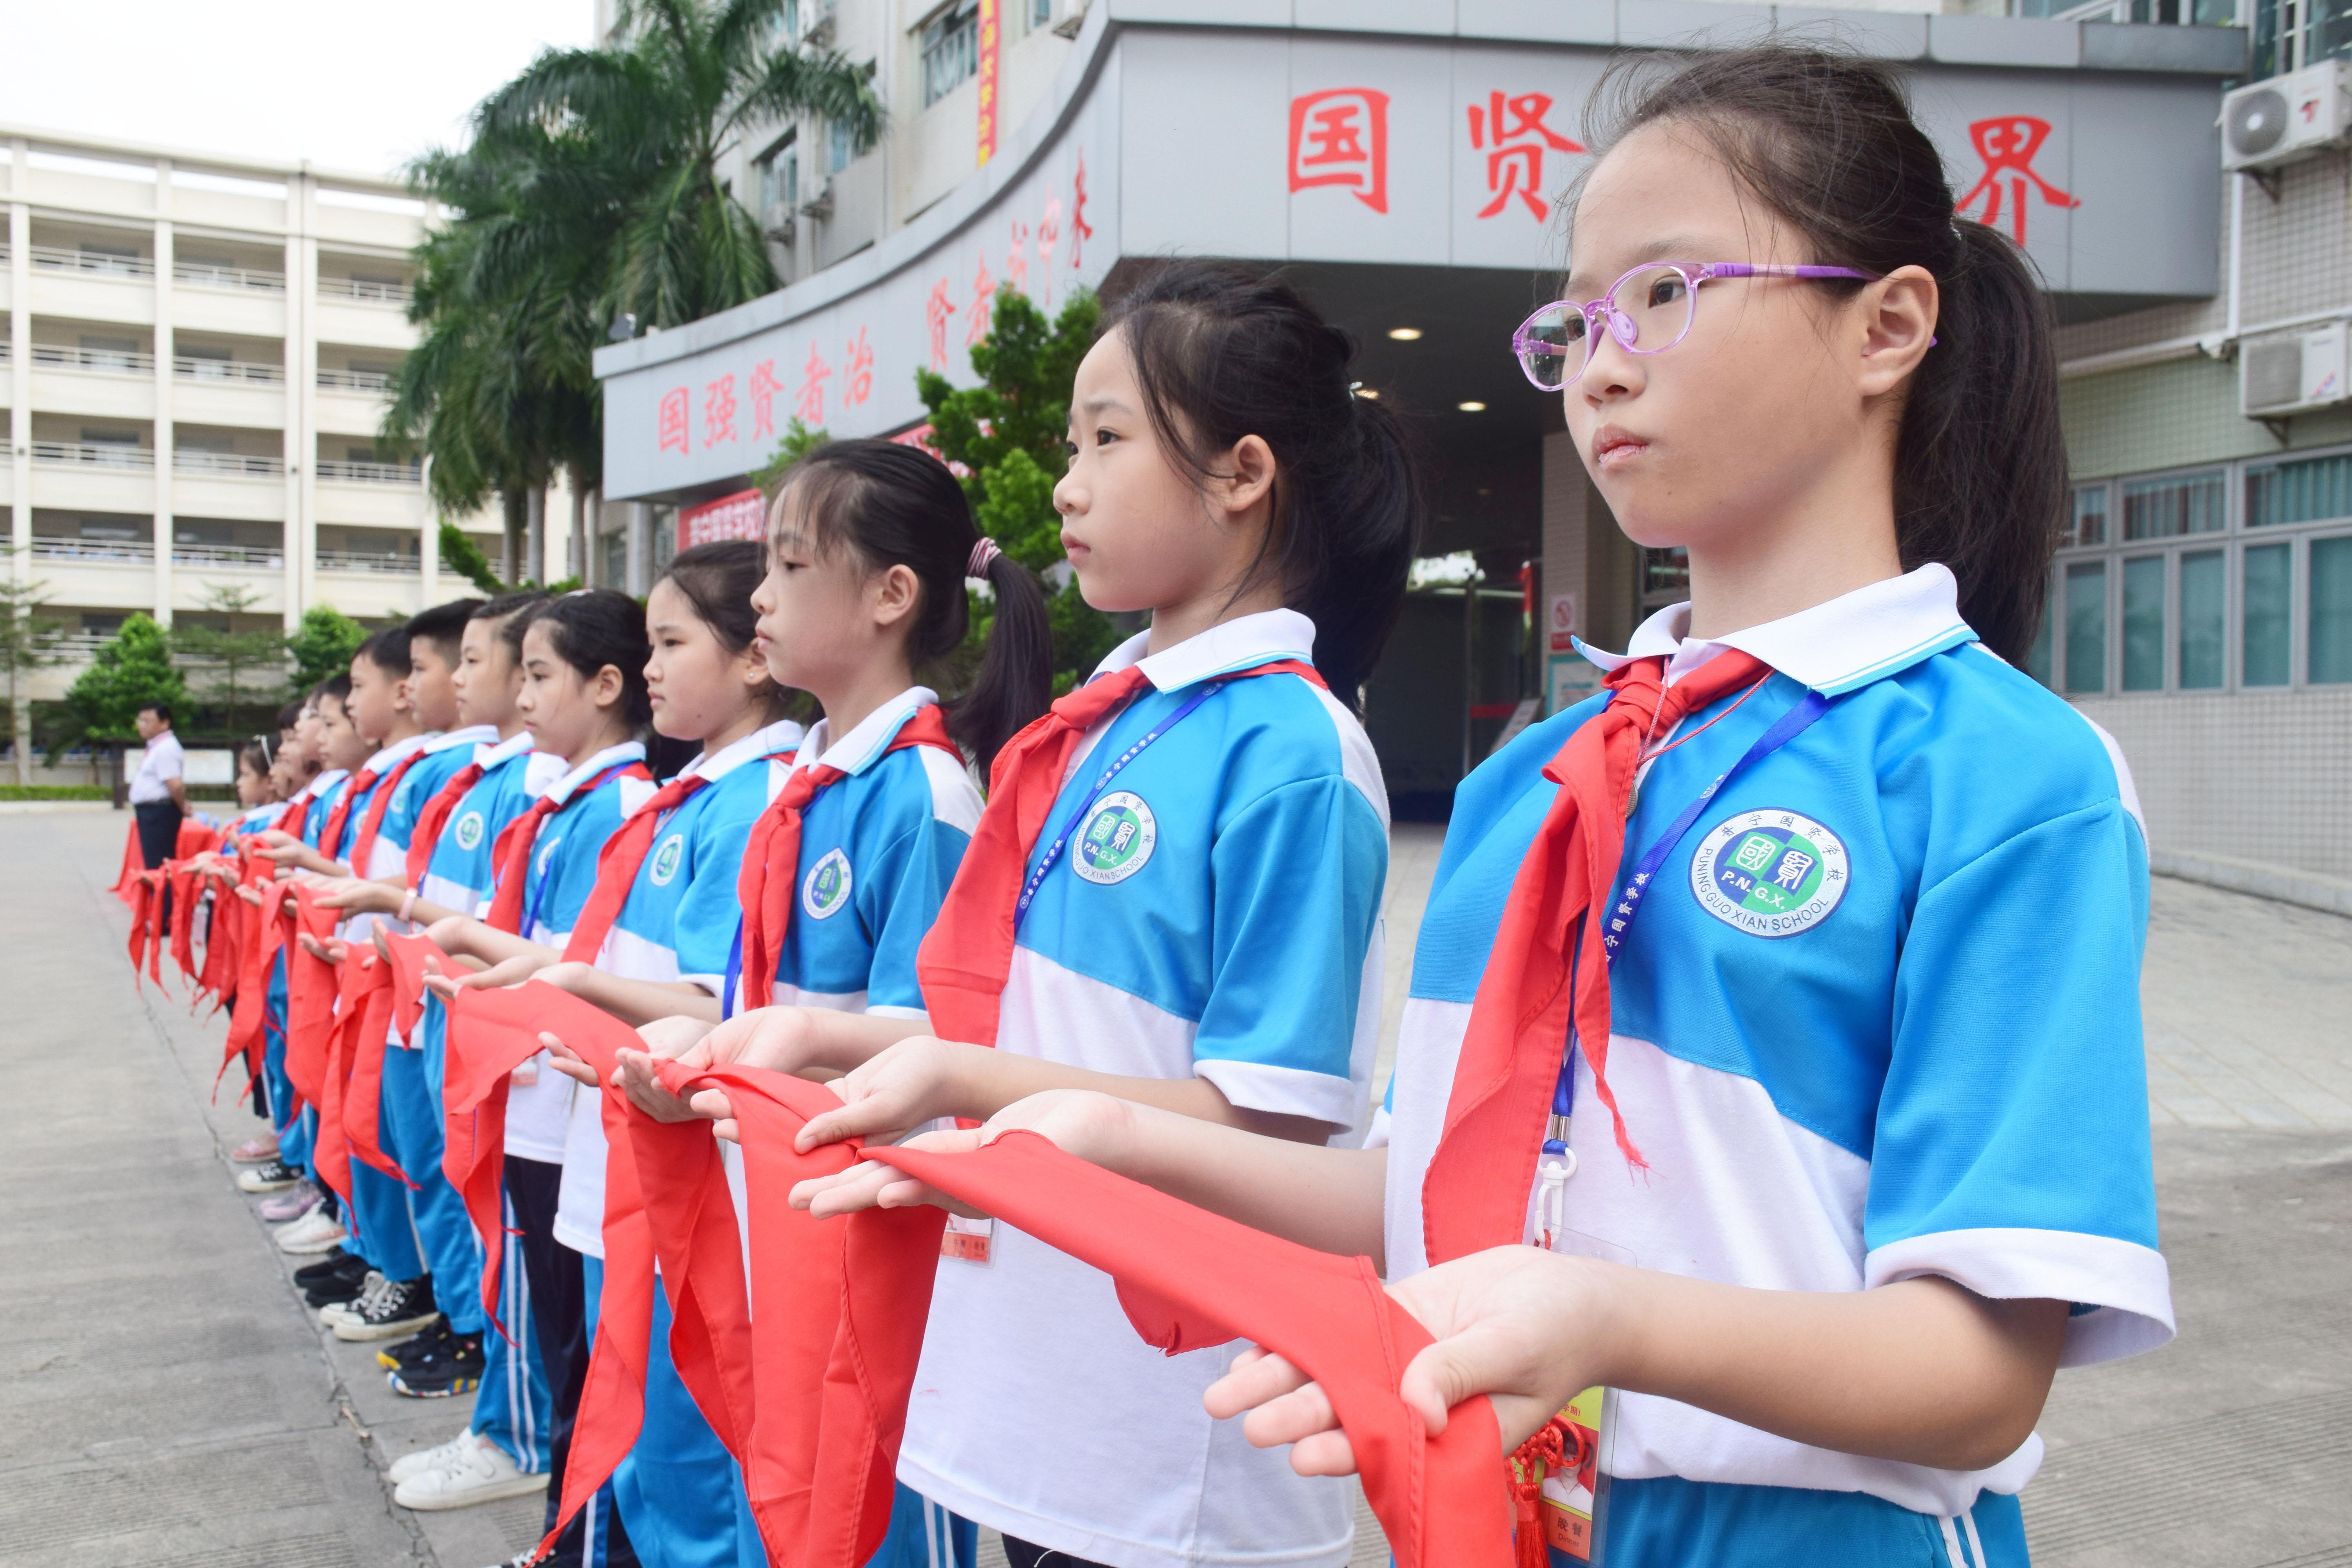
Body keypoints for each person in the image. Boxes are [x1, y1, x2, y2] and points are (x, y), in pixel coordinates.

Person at [804, 48, 2174, 1568]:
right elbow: (1425, 1188)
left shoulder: (2008, 775)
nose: (1602, 360)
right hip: (1497, 1512)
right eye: (1576, 318)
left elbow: (1983, 1369)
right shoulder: (1541, 777)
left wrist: (1601, 1315)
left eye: (1666, 292)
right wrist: (1096, 1131)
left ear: (1889, 324)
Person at [624, 266, 1417, 1568]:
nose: (1065, 483)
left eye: (1107, 439)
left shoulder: (1293, 749)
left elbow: (1269, 1124)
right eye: (1071, 444)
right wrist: (829, 1045)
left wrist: (945, 1069)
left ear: (1243, 474)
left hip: (1180, 1441)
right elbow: (1012, 1024)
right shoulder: (1106, 727)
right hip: (1044, 1389)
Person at [509, 541, 809, 1568]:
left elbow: (706, 998)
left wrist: (575, 985)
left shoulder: (760, 798)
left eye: (671, 642)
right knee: (646, 1451)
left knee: (701, 1475)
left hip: (692, 1174)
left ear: (752, 658)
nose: (650, 668)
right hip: (625, 1150)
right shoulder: (688, 799)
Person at [407, 592, 656, 1528]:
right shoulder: (566, 798)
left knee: (589, 1345)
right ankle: (573, 1516)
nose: (511, 691)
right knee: (563, 1332)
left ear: (605, 684)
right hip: (534, 1097)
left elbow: (592, 971)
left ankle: (581, 1519)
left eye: (532, 672)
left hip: (573, 1105)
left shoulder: (622, 803)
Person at [128, 701, 188, 869]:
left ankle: (164, 896)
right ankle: (160, 895)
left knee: (159, 865)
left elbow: (175, 785)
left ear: (165, 723)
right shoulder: (157, 746)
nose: (142, 725)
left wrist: (182, 806)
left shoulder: (166, 748)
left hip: (159, 813)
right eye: (140, 721)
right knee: (154, 863)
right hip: (152, 812)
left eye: (147, 721)